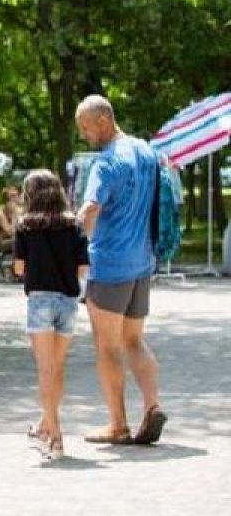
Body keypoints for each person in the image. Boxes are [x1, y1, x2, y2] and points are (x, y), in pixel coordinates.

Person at [75, 94, 166, 445]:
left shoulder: (107, 162)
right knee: (134, 340)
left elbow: (90, 209)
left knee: (107, 346)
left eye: (85, 127)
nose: (84, 135)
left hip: (109, 265)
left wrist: (67, 244)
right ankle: (153, 405)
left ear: (103, 120)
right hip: (141, 263)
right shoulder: (145, 151)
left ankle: (118, 424)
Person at [13, 170, 90, 460]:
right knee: (57, 368)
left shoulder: (25, 226)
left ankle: (55, 436)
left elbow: (19, 269)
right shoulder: (74, 225)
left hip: (40, 300)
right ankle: (46, 425)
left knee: (45, 369)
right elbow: (83, 268)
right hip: (68, 301)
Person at [0, 185, 22, 254]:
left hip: (14, 240)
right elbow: (10, 232)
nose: (16, 198)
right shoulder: (0, 212)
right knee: (20, 242)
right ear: (6, 200)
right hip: (1, 243)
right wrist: (14, 215)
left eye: (17, 195)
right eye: (13, 196)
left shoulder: (20, 210)